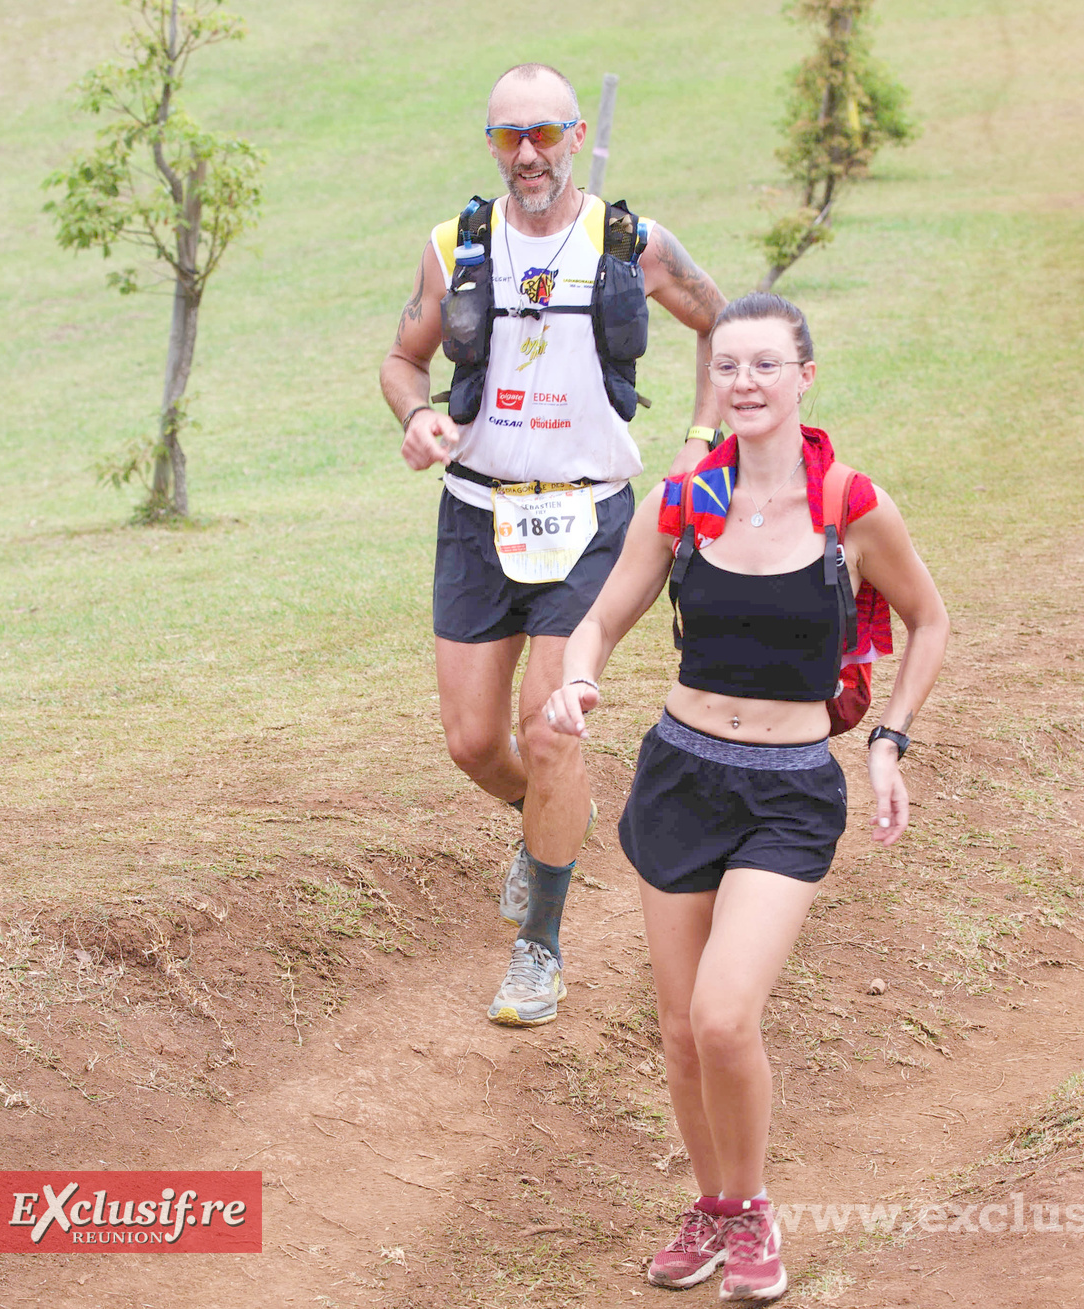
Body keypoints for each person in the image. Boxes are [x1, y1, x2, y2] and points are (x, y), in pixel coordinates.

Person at [543, 292, 950, 1302]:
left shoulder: (848, 505)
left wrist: (889, 742)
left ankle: (755, 1207)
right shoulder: (683, 500)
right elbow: (599, 622)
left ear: (804, 376)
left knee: (725, 1016)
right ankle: (713, 1206)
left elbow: (930, 620)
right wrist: (578, 677)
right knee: (679, 1029)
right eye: (728, 367)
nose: (746, 383)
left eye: (767, 365)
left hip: (789, 791)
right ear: (711, 382)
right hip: (680, 772)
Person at [379, 62, 726, 1027]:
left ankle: (541, 949)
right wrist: (416, 418)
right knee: (474, 742)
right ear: (491, 146)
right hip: (475, 513)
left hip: (589, 520)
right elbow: (402, 359)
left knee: (550, 730)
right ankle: (546, 827)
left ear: (575, 134)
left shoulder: (633, 245)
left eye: (544, 134)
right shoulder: (456, 246)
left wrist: (699, 445)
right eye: (507, 138)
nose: (527, 154)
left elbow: (723, 323)